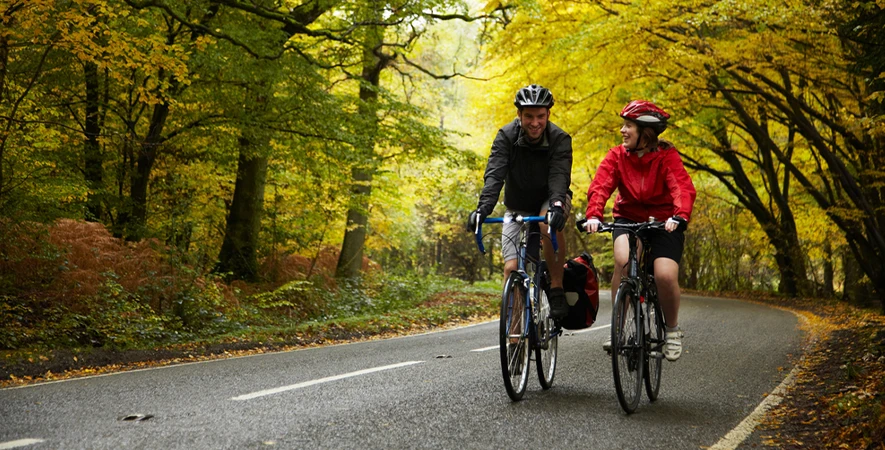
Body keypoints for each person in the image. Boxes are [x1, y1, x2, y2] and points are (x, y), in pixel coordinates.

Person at [583, 100, 696, 361]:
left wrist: (679, 216)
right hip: (628, 218)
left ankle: (672, 331)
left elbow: (681, 187)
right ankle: (619, 328)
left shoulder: (667, 156)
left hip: (665, 221)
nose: (623, 130)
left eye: (629, 126)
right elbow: (600, 186)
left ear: (645, 133)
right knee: (623, 260)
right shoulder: (616, 156)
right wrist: (594, 216)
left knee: (665, 275)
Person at [467, 84, 573, 319]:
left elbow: (559, 176)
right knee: (511, 268)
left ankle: (556, 287)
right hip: (517, 204)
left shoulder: (560, 138)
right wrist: (482, 209)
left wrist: (556, 206)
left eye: (540, 116)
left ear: (548, 115)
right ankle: (515, 335)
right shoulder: (506, 136)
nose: (534, 122)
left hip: (551, 198)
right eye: (528, 116)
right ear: (519, 115)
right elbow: (495, 175)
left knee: (548, 223)